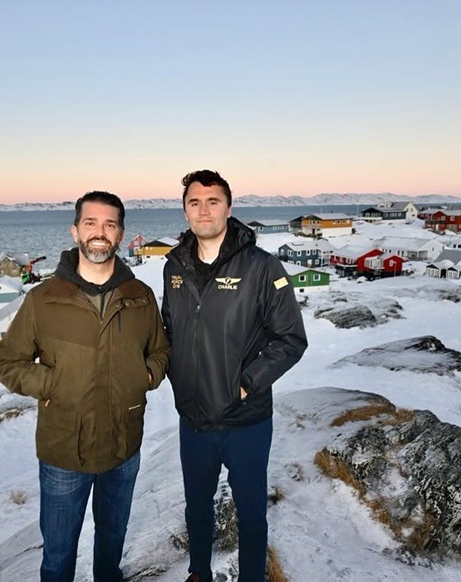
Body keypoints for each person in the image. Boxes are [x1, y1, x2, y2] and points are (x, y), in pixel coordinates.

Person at [0, 191, 170, 582]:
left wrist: (147, 376)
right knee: (58, 555)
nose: (99, 233)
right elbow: (6, 361)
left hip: (123, 449)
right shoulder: (44, 300)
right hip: (63, 455)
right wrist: (52, 382)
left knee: (112, 543)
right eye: (91, 223)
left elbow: (161, 351)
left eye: (109, 224)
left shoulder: (140, 297)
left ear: (121, 234)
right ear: (75, 231)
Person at [161, 170, 308, 582]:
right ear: (186, 209)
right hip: (193, 419)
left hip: (245, 420)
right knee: (197, 507)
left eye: (212, 201)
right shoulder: (174, 267)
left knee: (250, 512)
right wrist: (175, 376)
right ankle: (198, 573)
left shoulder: (262, 267)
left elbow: (291, 339)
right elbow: (169, 331)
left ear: (228, 207)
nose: (203, 209)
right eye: (194, 202)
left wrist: (246, 384)